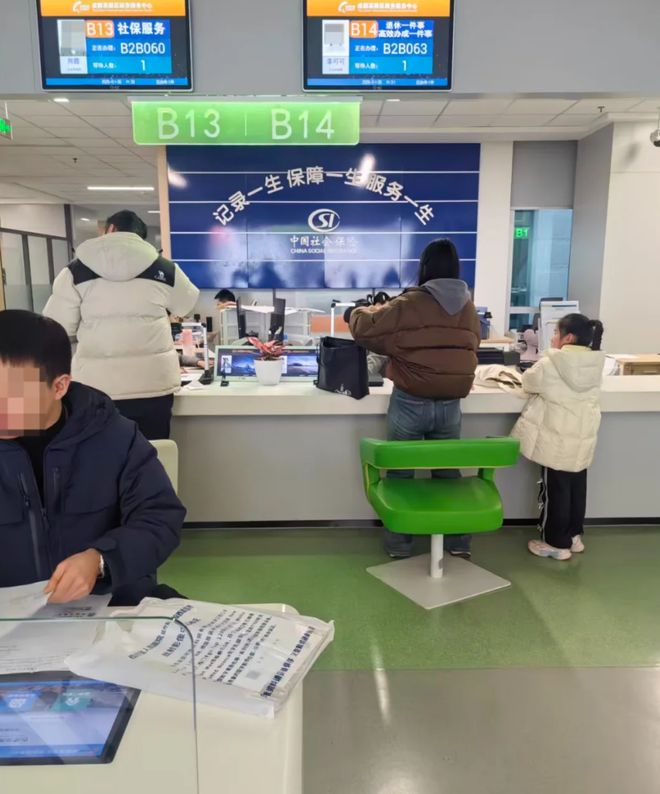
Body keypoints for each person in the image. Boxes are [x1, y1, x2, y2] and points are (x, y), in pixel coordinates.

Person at [0, 310, 185, 605]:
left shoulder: (116, 438)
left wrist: (101, 560)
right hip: (12, 618)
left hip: (113, 607)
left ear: (59, 386)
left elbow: (160, 517)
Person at [349, 240, 481, 559]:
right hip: (451, 404)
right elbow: (473, 343)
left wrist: (356, 311)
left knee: (400, 473)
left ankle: (399, 544)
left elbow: (366, 329)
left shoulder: (410, 302)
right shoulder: (468, 306)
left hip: (410, 400)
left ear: (424, 267)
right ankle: (457, 542)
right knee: (448, 473)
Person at [44, 209, 199, 440]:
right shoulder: (163, 268)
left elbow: (57, 325)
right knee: (153, 453)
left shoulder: (75, 271)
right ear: (140, 237)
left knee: (100, 454)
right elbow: (187, 305)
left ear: (111, 229)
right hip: (153, 385)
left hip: (96, 387)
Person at [512, 313, 605, 561]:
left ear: (568, 338)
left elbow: (528, 382)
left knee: (555, 492)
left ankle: (555, 544)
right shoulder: (595, 362)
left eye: (555, 333)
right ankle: (573, 537)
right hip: (581, 438)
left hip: (556, 439)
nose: (552, 337)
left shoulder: (550, 363)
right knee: (576, 488)